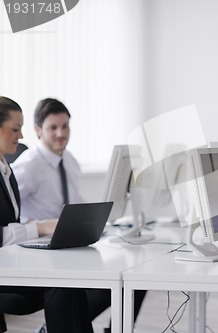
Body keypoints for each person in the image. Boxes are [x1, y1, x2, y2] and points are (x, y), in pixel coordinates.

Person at [12, 98, 146, 333]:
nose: (61, 133)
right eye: (53, 128)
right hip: (43, 250)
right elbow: (10, 208)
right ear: (37, 130)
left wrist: (102, 218)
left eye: (65, 126)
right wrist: (33, 225)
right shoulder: (28, 166)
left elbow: (75, 204)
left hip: (68, 244)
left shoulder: (70, 161)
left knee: (134, 272)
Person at [0, 96, 94, 333]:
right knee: (64, 282)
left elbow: (11, 220)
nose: (21, 137)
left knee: (71, 281)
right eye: (15, 129)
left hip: (13, 259)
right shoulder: (26, 167)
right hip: (8, 266)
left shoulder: (6, 170)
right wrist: (40, 227)